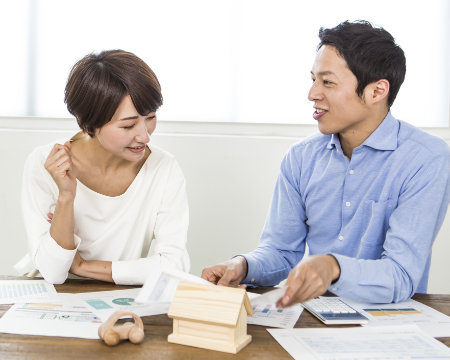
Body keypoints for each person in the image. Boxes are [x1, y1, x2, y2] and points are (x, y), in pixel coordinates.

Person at [201, 20, 450, 306]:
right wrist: (242, 265)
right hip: (314, 318)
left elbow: (401, 276)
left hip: (389, 325)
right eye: (313, 79)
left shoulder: (426, 159)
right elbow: (282, 251)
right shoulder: (301, 157)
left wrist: (333, 267)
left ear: (377, 92)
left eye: (328, 82)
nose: (313, 94)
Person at [14, 50, 190, 285]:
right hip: (49, 300)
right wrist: (66, 196)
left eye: (150, 118)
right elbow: (54, 273)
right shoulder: (47, 164)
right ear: (88, 124)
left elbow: (175, 265)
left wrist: (84, 266)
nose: (145, 137)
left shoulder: (163, 168)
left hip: (118, 300)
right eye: (128, 126)